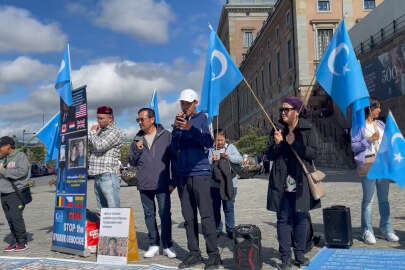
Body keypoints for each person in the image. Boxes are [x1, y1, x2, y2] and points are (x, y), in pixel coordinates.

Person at [266, 97, 320, 270]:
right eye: (282, 109)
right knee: (283, 219)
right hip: (282, 182)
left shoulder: (308, 129)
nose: (283, 112)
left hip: (302, 181)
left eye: (287, 109)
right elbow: (270, 155)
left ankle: (300, 254)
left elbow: (313, 153)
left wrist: (294, 143)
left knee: (301, 218)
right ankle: (285, 258)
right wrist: (277, 144)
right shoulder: (276, 130)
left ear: (296, 111)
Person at [171, 89, 221, 270]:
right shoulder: (179, 122)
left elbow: (208, 143)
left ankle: (214, 255)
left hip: (200, 174)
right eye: (182, 103)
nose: (184, 106)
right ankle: (194, 253)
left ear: (195, 103)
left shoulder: (202, 120)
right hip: (183, 175)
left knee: (206, 216)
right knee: (188, 217)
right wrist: (176, 130)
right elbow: (174, 148)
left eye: (187, 103)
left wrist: (190, 129)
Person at [129, 108, 176, 259]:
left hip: (163, 184)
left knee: (165, 215)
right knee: (149, 215)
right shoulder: (137, 139)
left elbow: (175, 159)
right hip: (144, 184)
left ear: (152, 119)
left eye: (142, 119)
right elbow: (131, 161)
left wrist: (173, 181)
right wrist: (136, 150)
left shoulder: (167, 136)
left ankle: (167, 245)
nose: (140, 122)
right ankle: (154, 244)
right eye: (138, 120)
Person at [351, 98, 399, 244]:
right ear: (369, 109)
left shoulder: (380, 124)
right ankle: (367, 230)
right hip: (368, 164)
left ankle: (386, 228)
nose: (379, 110)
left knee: (384, 200)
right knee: (368, 200)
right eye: (377, 107)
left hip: (382, 164)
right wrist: (370, 139)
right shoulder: (359, 126)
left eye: (379, 107)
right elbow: (355, 147)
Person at [208, 129, 243, 239]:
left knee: (229, 207)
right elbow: (206, 164)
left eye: (221, 140)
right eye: (217, 140)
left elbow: (240, 159)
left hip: (230, 184)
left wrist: (229, 157)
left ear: (225, 138)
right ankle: (217, 228)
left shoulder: (231, 148)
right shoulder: (211, 150)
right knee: (215, 208)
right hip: (214, 184)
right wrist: (212, 160)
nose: (219, 142)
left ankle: (230, 229)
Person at [88, 106, 124, 211]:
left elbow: (100, 146)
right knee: (102, 209)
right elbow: (93, 145)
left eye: (101, 118)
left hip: (108, 175)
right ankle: (105, 227)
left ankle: (117, 228)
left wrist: (93, 132)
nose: (99, 121)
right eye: (98, 118)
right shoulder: (100, 132)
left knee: (113, 209)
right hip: (98, 175)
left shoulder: (116, 131)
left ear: (110, 119)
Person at [0, 136, 30, 252]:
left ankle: (23, 242)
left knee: (16, 217)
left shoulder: (20, 156)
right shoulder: (4, 158)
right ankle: (15, 241)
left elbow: (22, 172)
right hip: (3, 193)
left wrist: (4, 171)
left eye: (1, 146)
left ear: (8, 146)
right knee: (9, 219)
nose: (0, 148)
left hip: (15, 193)